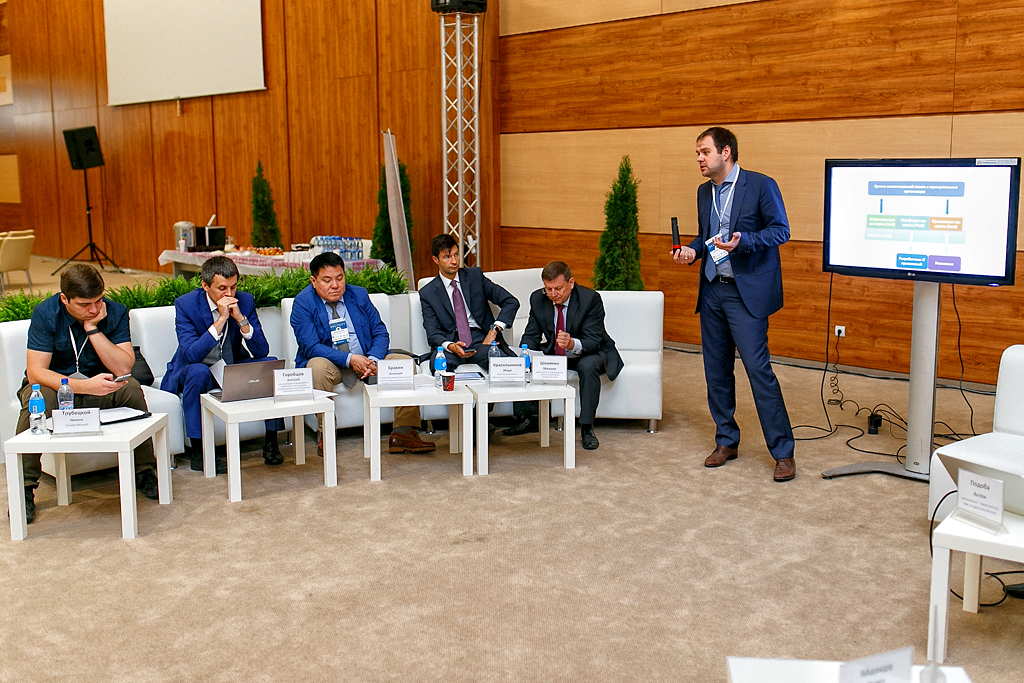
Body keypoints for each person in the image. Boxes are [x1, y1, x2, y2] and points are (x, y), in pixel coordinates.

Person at [671, 126, 796, 482]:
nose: (699, 158)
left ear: (725, 152)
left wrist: (745, 241)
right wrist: (692, 250)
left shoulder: (760, 185)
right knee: (716, 371)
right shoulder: (704, 191)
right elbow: (706, 235)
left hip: (746, 293)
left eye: (704, 152)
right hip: (712, 290)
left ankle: (783, 452)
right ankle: (726, 440)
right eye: (697, 153)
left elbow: (781, 230)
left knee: (758, 371)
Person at [15, 264, 158, 524]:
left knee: (131, 389)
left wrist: (93, 328)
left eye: (98, 301)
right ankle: (24, 488)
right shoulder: (46, 314)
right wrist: (82, 386)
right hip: (56, 387)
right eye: (84, 304)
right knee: (37, 401)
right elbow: (36, 372)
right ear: (64, 299)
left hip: (101, 386)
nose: (93, 309)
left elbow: (123, 368)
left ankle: (144, 471)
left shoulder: (115, 312)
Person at [290, 252, 435, 456]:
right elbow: (311, 346)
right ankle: (327, 433)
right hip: (333, 364)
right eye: (327, 280)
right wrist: (350, 359)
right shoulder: (303, 303)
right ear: (314, 281)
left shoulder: (358, 295)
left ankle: (403, 433)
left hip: (367, 359)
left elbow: (380, 332)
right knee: (317, 367)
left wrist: (372, 359)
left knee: (405, 363)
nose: (335, 285)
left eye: (339, 278)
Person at [161, 256, 285, 473]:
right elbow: (190, 354)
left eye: (233, 287)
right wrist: (220, 320)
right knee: (198, 372)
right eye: (222, 288)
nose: (229, 294)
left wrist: (241, 320)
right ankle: (199, 452)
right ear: (205, 285)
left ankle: (271, 443)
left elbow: (261, 350)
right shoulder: (186, 305)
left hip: (230, 365)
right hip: (197, 368)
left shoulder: (245, 301)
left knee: (270, 364)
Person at [504, 261, 623, 451]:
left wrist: (572, 343)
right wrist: (525, 354)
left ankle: (587, 428)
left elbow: (594, 340)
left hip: (589, 351)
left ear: (571, 283)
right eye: (548, 289)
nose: (553, 294)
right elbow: (532, 334)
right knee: (525, 360)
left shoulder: (589, 299)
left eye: (558, 288)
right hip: (556, 352)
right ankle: (531, 418)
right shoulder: (538, 298)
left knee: (588, 366)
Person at [419, 233, 520, 368]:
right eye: (447, 257)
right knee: (440, 365)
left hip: (479, 341)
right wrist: (451, 346)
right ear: (435, 259)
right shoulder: (428, 293)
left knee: (502, 364)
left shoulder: (475, 277)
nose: (454, 261)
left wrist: (494, 330)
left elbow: (511, 301)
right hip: (451, 344)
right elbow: (433, 333)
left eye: (456, 254)